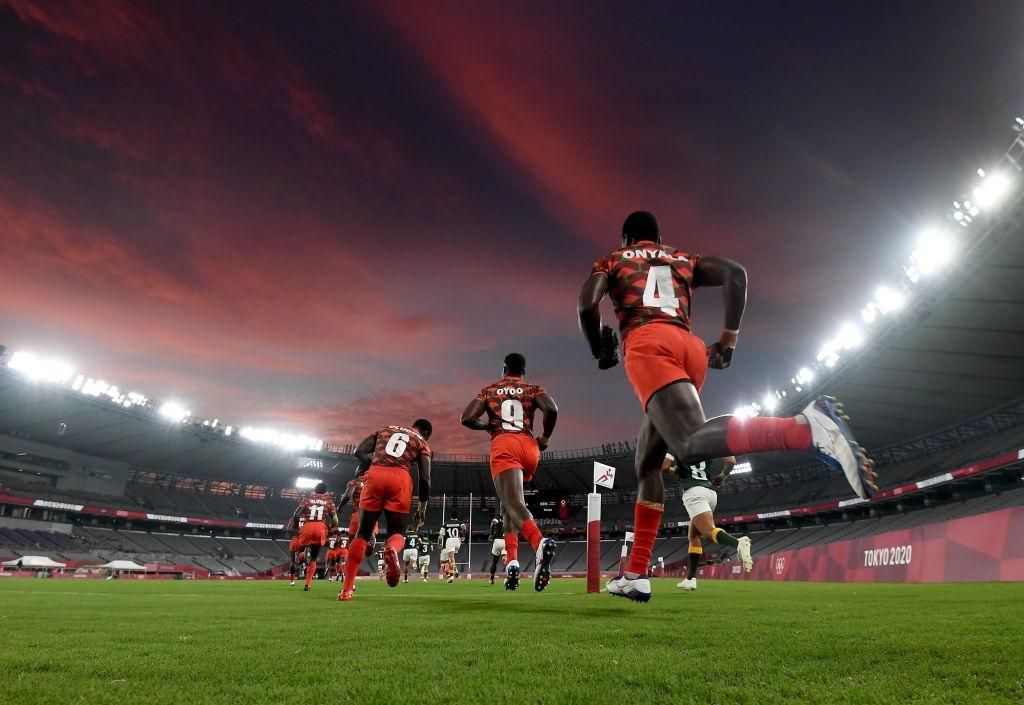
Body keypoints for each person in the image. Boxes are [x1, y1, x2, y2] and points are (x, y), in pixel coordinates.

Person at [577, 210, 878, 603]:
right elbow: (736, 273)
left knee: (685, 443)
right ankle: (636, 573)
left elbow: (587, 304)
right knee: (646, 463)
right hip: (690, 347)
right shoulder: (682, 258)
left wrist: (598, 346)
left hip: (649, 342)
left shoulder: (613, 260)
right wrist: (729, 339)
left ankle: (805, 428)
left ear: (625, 238)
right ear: (657, 235)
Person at [460, 352, 559, 592]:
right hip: (529, 446)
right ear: (523, 370)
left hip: (505, 443)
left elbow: (466, 418)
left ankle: (539, 543)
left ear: (503, 368)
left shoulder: (489, 390)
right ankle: (512, 564)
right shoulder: (533, 388)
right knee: (508, 505)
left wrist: (487, 425)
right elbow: (552, 410)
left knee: (513, 503)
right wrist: (545, 437)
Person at [338, 420, 432, 602]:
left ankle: (346, 590)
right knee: (397, 533)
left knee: (362, 534)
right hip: (400, 478)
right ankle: (391, 549)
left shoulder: (385, 429)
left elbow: (359, 451)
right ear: (426, 432)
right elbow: (425, 479)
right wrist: (422, 509)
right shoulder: (422, 442)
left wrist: (376, 464)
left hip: (376, 474)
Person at [663, 454, 749, 590]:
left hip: (693, 492)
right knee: (693, 535)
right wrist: (722, 476)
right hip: (710, 492)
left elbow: (664, 468)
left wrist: (676, 470)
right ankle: (690, 579)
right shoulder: (707, 441)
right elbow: (731, 461)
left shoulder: (676, 443)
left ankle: (738, 543)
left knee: (708, 531)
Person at [288, 481, 338, 591]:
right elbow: (335, 520)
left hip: (307, 527)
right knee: (314, 559)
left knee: (299, 556)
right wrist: (329, 528)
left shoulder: (307, 499)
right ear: (325, 491)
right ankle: (308, 585)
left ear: (315, 489)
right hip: (321, 527)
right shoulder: (329, 501)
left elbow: (296, 515)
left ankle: (303, 554)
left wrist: (298, 526)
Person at [437, 510, 466, 583]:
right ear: (457, 516)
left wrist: (439, 544)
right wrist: (464, 537)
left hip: (448, 542)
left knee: (447, 560)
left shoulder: (446, 524)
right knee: (448, 560)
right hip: (457, 541)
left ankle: (453, 574)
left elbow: (441, 535)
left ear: (451, 516)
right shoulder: (460, 523)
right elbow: (464, 528)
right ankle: (451, 574)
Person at [486, 513, 507, 585]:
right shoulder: (510, 521)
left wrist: (491, 534)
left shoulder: (497, 520)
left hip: (497, 541)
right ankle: (508, 576)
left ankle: (491, 578)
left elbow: (493, 523)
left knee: (494, 562)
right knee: (505, 559)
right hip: (505, 541)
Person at [286, 515, 305, 586]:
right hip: (304, 540)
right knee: (304, 559)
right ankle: (302, 563)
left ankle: (292, 581)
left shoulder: (294, 517)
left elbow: (289, 529)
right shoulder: (308, 517)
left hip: (295, 540)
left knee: (292, 561)